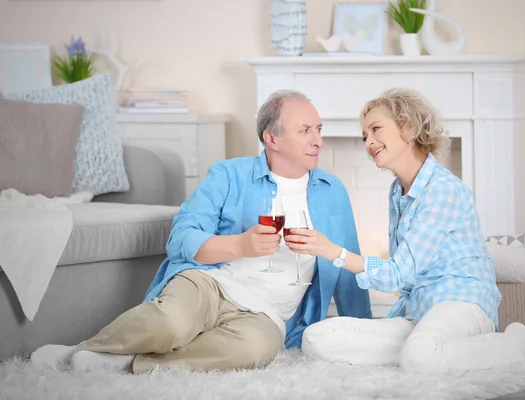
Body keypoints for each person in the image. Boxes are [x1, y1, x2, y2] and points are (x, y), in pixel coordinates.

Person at [30, 89, 372, 373]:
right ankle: (86, 349)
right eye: (305, 130)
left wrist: (365, 331)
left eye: (319, 129)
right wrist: (240, 244)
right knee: (169, 324)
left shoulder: (332, 190)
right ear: (272, 138)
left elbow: (347, 267)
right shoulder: (228, 175)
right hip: (212, 283)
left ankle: (131, 362)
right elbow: (181, 237)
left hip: (268, 315)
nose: (317, 140)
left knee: (256, 350)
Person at [285, 88, 525, 374]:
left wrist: (331, 251)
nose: (368, 142)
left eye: (375, 129)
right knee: (315, 338)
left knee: (420, 357)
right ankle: (430, 350)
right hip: (417, 312)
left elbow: (398, 274)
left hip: (459, 304)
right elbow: (404, 280)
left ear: (407, 127)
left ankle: (514, 344)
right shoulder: (397, 191)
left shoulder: (442, 189)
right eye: (364, 136)